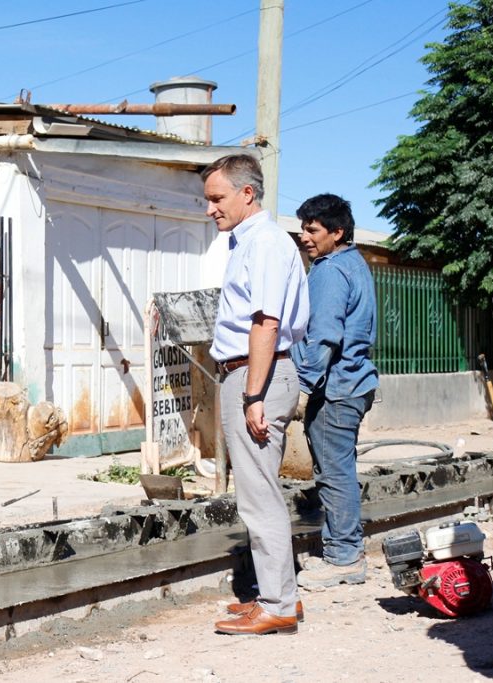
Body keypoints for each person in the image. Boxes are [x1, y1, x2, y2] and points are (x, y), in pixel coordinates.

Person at [203, 154, 309, 635]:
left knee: (259, 495)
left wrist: (251, 395)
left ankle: (279, 605)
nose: (210, 209)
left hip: (257, 376)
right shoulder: (249, 242)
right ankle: (276, 594)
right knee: (256, 490)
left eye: (217, 198)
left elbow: (265, 323)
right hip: (252, 374)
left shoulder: (263, 243)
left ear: (247, 193)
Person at [290, 194, 378, 589]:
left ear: (336, 232)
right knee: (338, 470)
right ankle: (343, 551)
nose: (304, 236)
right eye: (303, 228)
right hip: (355, 383)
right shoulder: (355, 264)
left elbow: (325, 336)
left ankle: (343, 558)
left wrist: (304, 388)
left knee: (334, 474)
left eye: (313, 230)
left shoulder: (328, 271)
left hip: (336, 389)